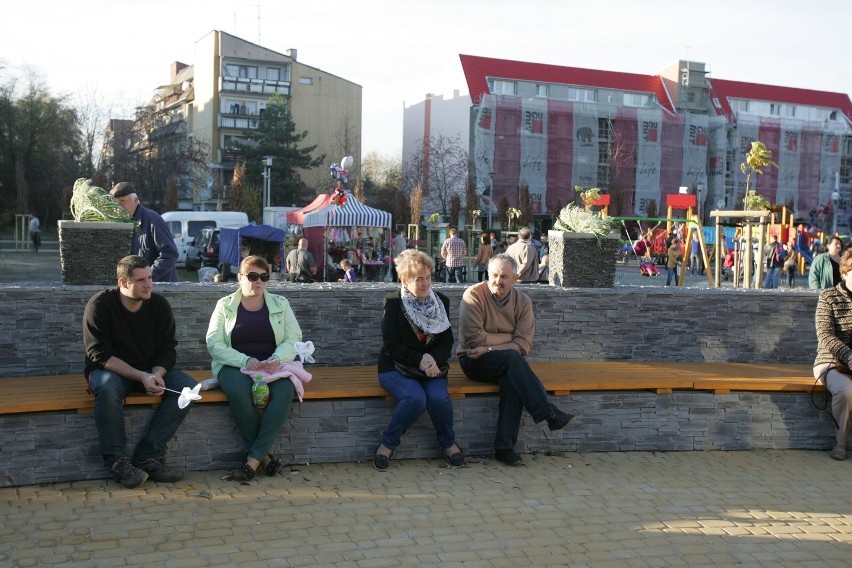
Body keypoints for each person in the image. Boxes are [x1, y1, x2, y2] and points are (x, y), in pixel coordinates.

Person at [83, 255, 195, 488]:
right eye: (141, 280)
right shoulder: (100, 306)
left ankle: (148, 456)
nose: (149, 285)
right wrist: (142, 376)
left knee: (188, 388)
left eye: (150, 278)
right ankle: (117, 463)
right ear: (123, 283)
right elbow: (99, 355)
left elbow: (168, 349)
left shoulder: (159, 305)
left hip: (149, 370)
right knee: (109, 388)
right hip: (111, 371)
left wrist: (155, 374)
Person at [457, 254, 574, 466]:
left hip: (504, 360)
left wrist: (490, 346)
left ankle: (504, 448)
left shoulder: (523, 302)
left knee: (514, 379)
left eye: (504, 276)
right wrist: (510, 337)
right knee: (512, 359)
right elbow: (475, 340)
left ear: (515, 278)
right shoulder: (473, 295)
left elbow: (523, 346)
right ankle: (547, 412)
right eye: (493, 275)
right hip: (473, 360)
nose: (498, 281)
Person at [206, 255, 303, 481]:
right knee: (239, 393)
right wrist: (243, 360)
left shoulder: (281, 304)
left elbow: (294, 337)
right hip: (233, 363)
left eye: (263, 276)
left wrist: (278, 358)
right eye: (252, 276)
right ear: (240, 278)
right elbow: (214, 343)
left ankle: (252, 461)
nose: (257, 281)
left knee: (285, 392)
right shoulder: (225, 305)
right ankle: (263, 458)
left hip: (271, 363)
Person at [374, 250, 462, 471]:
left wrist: (432, 359)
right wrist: (421, 358)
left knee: (439, 398)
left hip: (432, 367)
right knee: (415, 398)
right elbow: (391, 345)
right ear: (405, 280)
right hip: (396, 367)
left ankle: (448, 443)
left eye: (428, 277)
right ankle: (388, 444)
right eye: (418, 279)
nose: (425, 284)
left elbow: (447, 341)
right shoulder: (393, 303)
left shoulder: (440, 301)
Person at [813, 249, 852, 461]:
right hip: (830, 362)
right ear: (844, 274)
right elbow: (825, 335)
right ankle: (841, 442)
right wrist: (849, 356)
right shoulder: (828, 297)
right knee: (847, 391)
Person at [110, 182, 179, 282]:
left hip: (161, 289)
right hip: (135, 289)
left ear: (136, 200)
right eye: (115, 203)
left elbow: (170, 254)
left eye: (122, 201)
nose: (118, 207)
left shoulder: (153, 220)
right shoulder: (120, 225)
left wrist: (147, 278)